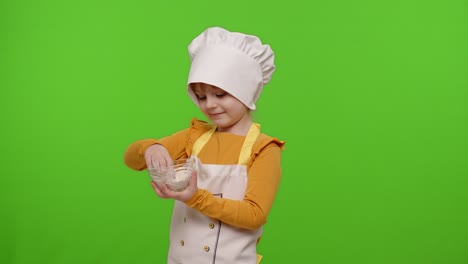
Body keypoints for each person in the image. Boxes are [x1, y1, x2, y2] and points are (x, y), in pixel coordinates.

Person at [124, 26, 285, 264]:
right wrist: (151, 148)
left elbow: (254, 215)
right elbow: (131, 160)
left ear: (246, 90)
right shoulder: (194, 136)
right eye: (201, 96)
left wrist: (194, 197)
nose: (209, 105)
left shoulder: (263, 149)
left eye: (220, 94)